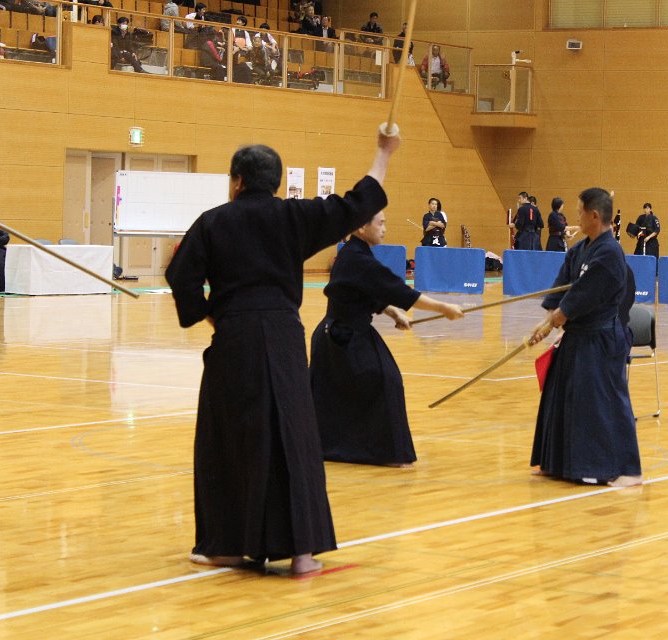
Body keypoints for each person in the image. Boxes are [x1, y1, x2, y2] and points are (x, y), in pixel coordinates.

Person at [165, 129, 400, 574]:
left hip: (235, 339)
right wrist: (383, 153)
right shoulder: (295, 217)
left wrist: (209, 314)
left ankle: (228, 546)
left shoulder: (213, 222)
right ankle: (302, 553)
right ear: (275, 182)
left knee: (231, 438)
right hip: (285, 338)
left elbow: (181, 276)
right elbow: (357, 203)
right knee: (295, 437)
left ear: (237, 181)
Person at [310, 211, 464, 468]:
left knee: (355, 386)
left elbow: (362, 291)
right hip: (344, 336)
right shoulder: (358, 258)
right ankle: (382, 451)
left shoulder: (352, 253)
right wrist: (443, 308)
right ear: (361, 227)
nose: (384, 229)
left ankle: (337, 446)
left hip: (337, 333)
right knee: (386, 379)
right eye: (380, 223)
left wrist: (392, 312)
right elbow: (398, 290)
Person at [528, 188, 642, 488]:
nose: (575, 217)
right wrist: (547, 319)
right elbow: (562, 287)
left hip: (602, 339)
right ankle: (557, 463)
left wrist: (553, 322)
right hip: (577, 336)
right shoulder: (579, 250)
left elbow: (582, 295)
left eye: (579, 212)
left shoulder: (610, 253)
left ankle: (629, 470)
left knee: (607, 402)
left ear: (594, 216)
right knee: (560, 393)